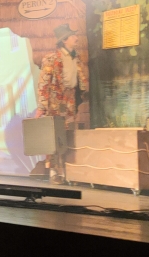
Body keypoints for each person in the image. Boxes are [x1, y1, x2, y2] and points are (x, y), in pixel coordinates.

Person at [35, 23, 89, 183]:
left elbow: (80, 81)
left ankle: (67, 170)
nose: (76, 38)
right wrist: (42, 106)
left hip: (70, 101)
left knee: (68, 134)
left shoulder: (75, 58)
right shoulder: (51, 59)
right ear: (64, 40)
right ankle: (53, 171)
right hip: (55, 103)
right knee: (53, 136)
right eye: (73, 36)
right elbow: (43, 84)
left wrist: (83, 94)